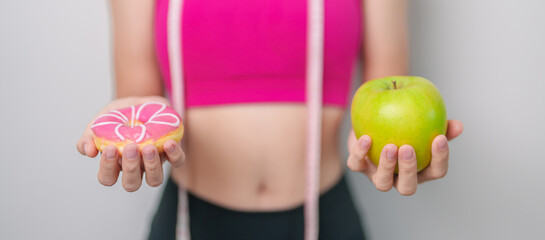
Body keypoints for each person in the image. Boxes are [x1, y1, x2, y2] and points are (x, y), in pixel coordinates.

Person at [76, 0, 464, 239]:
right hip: (190, 223)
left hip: (325, 221)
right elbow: (139, 97)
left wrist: (389, 159)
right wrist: (131, 141)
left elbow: (389, 94)